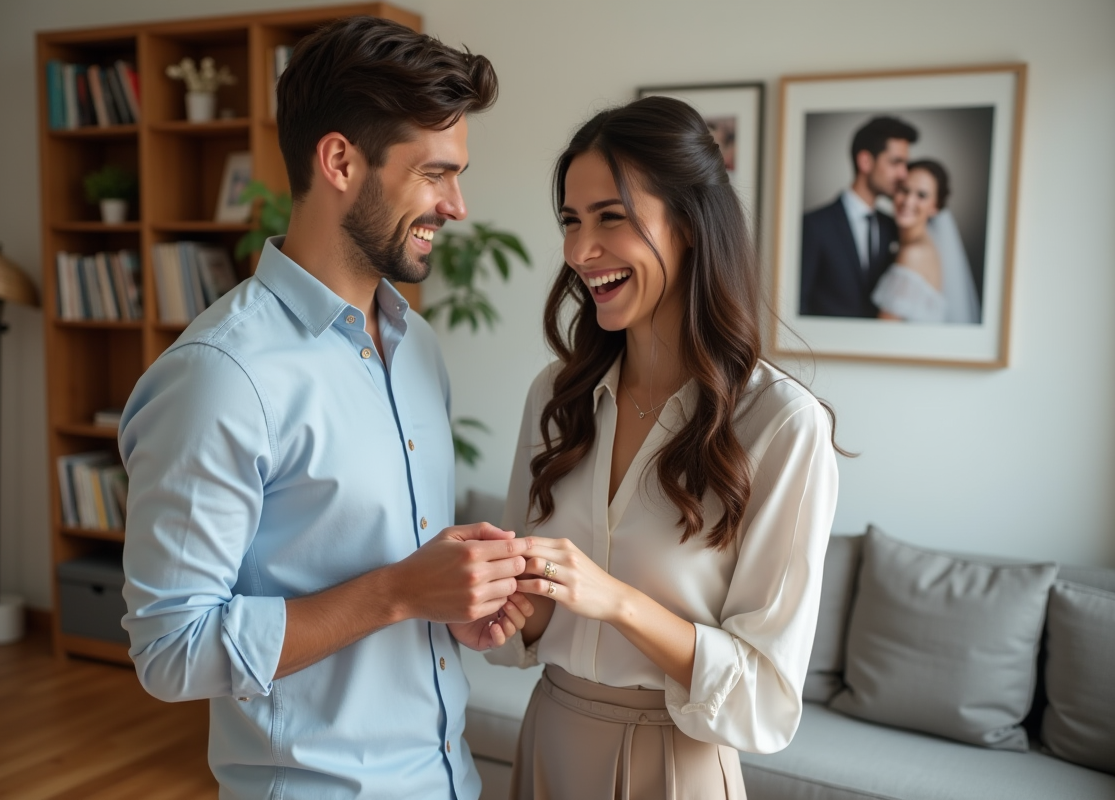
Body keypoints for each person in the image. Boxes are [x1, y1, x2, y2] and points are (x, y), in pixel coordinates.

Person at [119, 17, 534, 799]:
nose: (458, 205)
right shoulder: (223, 376)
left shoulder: (418, 348)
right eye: (435, 173)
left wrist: (451, 605)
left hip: (449, 781)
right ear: (340, 159)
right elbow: (171, 650)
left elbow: (390, 570)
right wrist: (401, 591)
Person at [487, 96, 840, 799]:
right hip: (549, 740)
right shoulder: (556, 396)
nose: (579, 251)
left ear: (688, 224)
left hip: (675, 766)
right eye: (570, 221)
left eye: (610, 218)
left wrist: (617, 601)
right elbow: (543, 608)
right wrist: (504, 602)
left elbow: (766, 697)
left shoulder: (782, 425)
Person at [800, 115, 918, 318]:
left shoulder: (893, 226)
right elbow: (798, 302)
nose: (903, 174)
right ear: (865, 161)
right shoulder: (814, 225)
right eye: (895, 163)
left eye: (905, 165)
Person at [872, 159, 981, 324]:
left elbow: (883, 331)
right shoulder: (923, 243)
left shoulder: (913, 254)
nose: (908, 201)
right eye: (904, 190)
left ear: (935, 206)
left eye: (921, 195)